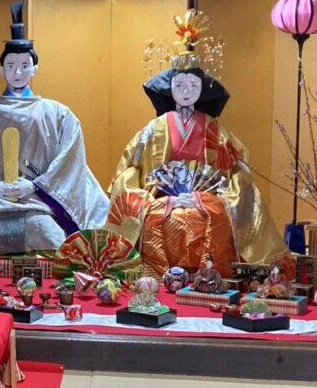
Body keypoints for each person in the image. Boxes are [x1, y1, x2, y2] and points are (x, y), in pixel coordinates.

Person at [0, 2, 109, 253]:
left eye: (25, 65)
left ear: (35, 69)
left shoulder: (59, 115)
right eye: (10, 66)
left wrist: (34, 186)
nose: (17, 72)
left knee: (56, 245)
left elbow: (70, 164)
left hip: (40, 207)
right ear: (1, 69)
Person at [105, 63, 288, 274]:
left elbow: (239, 170)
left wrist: (203, 200)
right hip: (161, 201)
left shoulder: (217, 131)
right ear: (169, 89)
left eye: (194, 85)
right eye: (179, 85)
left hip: (208, 202)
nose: (186, 91)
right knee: (157, 218)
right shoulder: (153, 130)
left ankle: (210, 275)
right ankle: (157, 276)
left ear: (202, 90)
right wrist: (161, 201)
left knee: (217, 216)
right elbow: (129, 169)